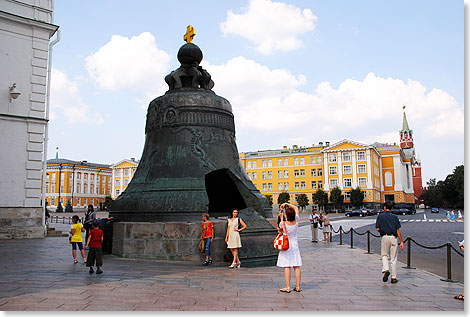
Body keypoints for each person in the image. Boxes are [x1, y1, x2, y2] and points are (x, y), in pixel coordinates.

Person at [375, 201, 404, 284]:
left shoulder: (380, 216)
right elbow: (398, 230)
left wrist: (382, 231)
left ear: (385, 207)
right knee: (393, 258)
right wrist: (401, 241)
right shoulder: (394, 217)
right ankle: (394, 278)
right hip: (393, 237)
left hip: (385, 237)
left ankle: (386, 269)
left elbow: (377, 228)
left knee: (384, 255)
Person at [277, 203, 302, 293]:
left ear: (286, 215)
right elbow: (296, 207)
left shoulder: (283, 223)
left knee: (286, 266)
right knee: (296, 265)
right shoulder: (296, 220)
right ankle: (298, 286)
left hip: (286, 245)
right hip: (295, 245)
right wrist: (287, 204)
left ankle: (288, 287)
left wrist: (281, 216)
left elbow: (280, 228)